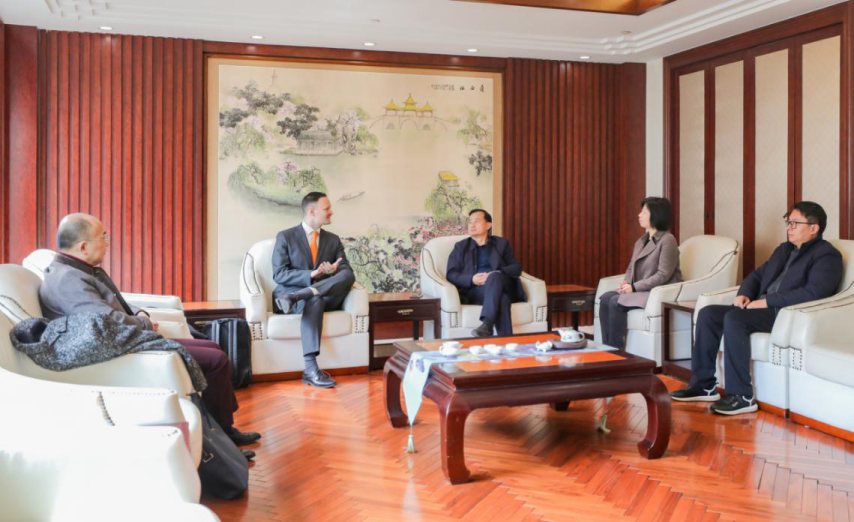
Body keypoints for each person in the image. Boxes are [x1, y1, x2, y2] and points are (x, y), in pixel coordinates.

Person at [38, 213, 261, 458]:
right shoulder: (67, 279)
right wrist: (143, 323)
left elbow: (114, 304)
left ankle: (224, 428)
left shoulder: (75, 270)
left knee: (212, 347)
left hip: (128, 341)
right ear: (83, 247)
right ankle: (223, 440)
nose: (107, 243)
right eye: (103, 237)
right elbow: (104, 321)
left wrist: (138, 312)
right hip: (120, 351)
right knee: (216, 361)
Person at [671, 201, 843, 415]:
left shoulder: (827, 255)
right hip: (758, 307)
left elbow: (814, 293)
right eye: (788, 222)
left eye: (795, 223)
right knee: (708, 314)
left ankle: (741, 396)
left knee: (735, 319)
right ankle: (703, 385)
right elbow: (757, 275)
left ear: (814, 228)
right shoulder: (784, 249)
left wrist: (767, 302)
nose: (789, 227)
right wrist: (744, 294)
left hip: (784, 314)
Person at [271, 192, 356, 388]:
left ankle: (303, 294)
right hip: (293, 301)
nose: (331, 212)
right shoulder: (286, 236)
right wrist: (311, 274)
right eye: (327, 208)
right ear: (311, 211)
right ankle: (310, 368)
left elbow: (346, 271)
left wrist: (334, 270)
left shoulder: (333, 240)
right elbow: (279, 274)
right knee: (314, 299)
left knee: (348, 275)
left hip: (317, 296)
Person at [598, 197, 682, 349]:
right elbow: (631, 267)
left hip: (656, 291)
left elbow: (663, 274)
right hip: (640, 289)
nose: (639, 215)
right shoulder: (641, 240)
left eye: (644, 212)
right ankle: (607, 349)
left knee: (615, 301)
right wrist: (626, 283)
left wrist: (634, 287)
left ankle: (617, 351)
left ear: (656, 215)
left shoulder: (668, 240)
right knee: (605, 298)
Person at [446, 209, 526, 337]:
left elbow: (517, 267)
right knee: (503, 299)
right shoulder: (461, 247)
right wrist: (472, 279)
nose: (472, 225)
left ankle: (487, 325)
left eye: (476, 221)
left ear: (488, 225)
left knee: (494, 276)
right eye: (470, 222)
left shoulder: (501, 244)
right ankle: (506, 341)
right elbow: (451, 274)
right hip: (477, 290)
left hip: (503, 283)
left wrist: (497, 272)